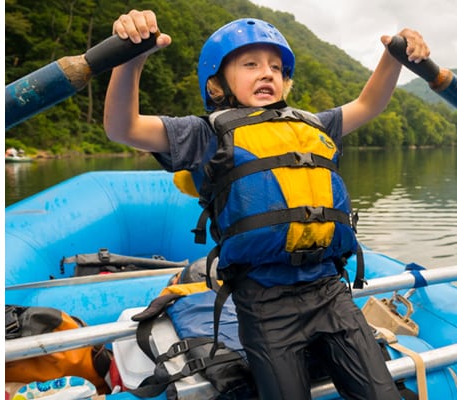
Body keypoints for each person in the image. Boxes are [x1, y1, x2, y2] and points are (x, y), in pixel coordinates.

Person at [104, 10, 430, 400]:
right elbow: (123, 128)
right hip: (264, 302)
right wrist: (131, 59)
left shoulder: (313, 125)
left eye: (276, 67)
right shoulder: (204, 133)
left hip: (329, 290)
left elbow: (369, 103)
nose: (267, 73)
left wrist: (394, 55)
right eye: (251, 64)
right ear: (216, 83)